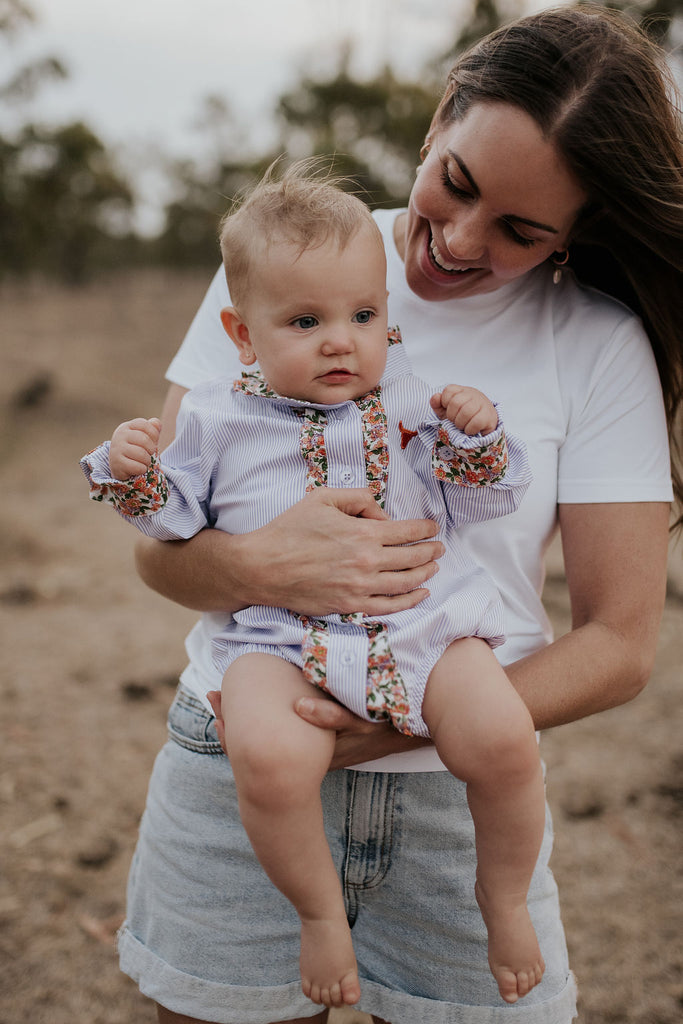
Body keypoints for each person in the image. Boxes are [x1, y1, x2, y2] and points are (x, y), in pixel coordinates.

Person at [110, 6, 681, 1023]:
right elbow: (164, 558)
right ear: (438, 119)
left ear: (577, 231)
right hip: (242, 769)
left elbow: (619, 644)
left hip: (461, 796)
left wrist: (407, 717)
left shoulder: (594, 345)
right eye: (455, 183)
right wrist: (265, 567)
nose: (454, 242)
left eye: (520, 229)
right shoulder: (289, 260)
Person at [81, 164, 543, 1007]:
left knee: (504, 739)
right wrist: (131, 468)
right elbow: (173, 524)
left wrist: (475, 434)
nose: (341, 340)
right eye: (306, 320)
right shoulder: (218, 415)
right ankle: (318, 913)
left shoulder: (410, 401)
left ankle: (502, 898)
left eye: (363, 315)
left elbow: (477, 499)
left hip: (425, 624)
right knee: (264, 753)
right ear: (242, 333)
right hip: (275, 636)